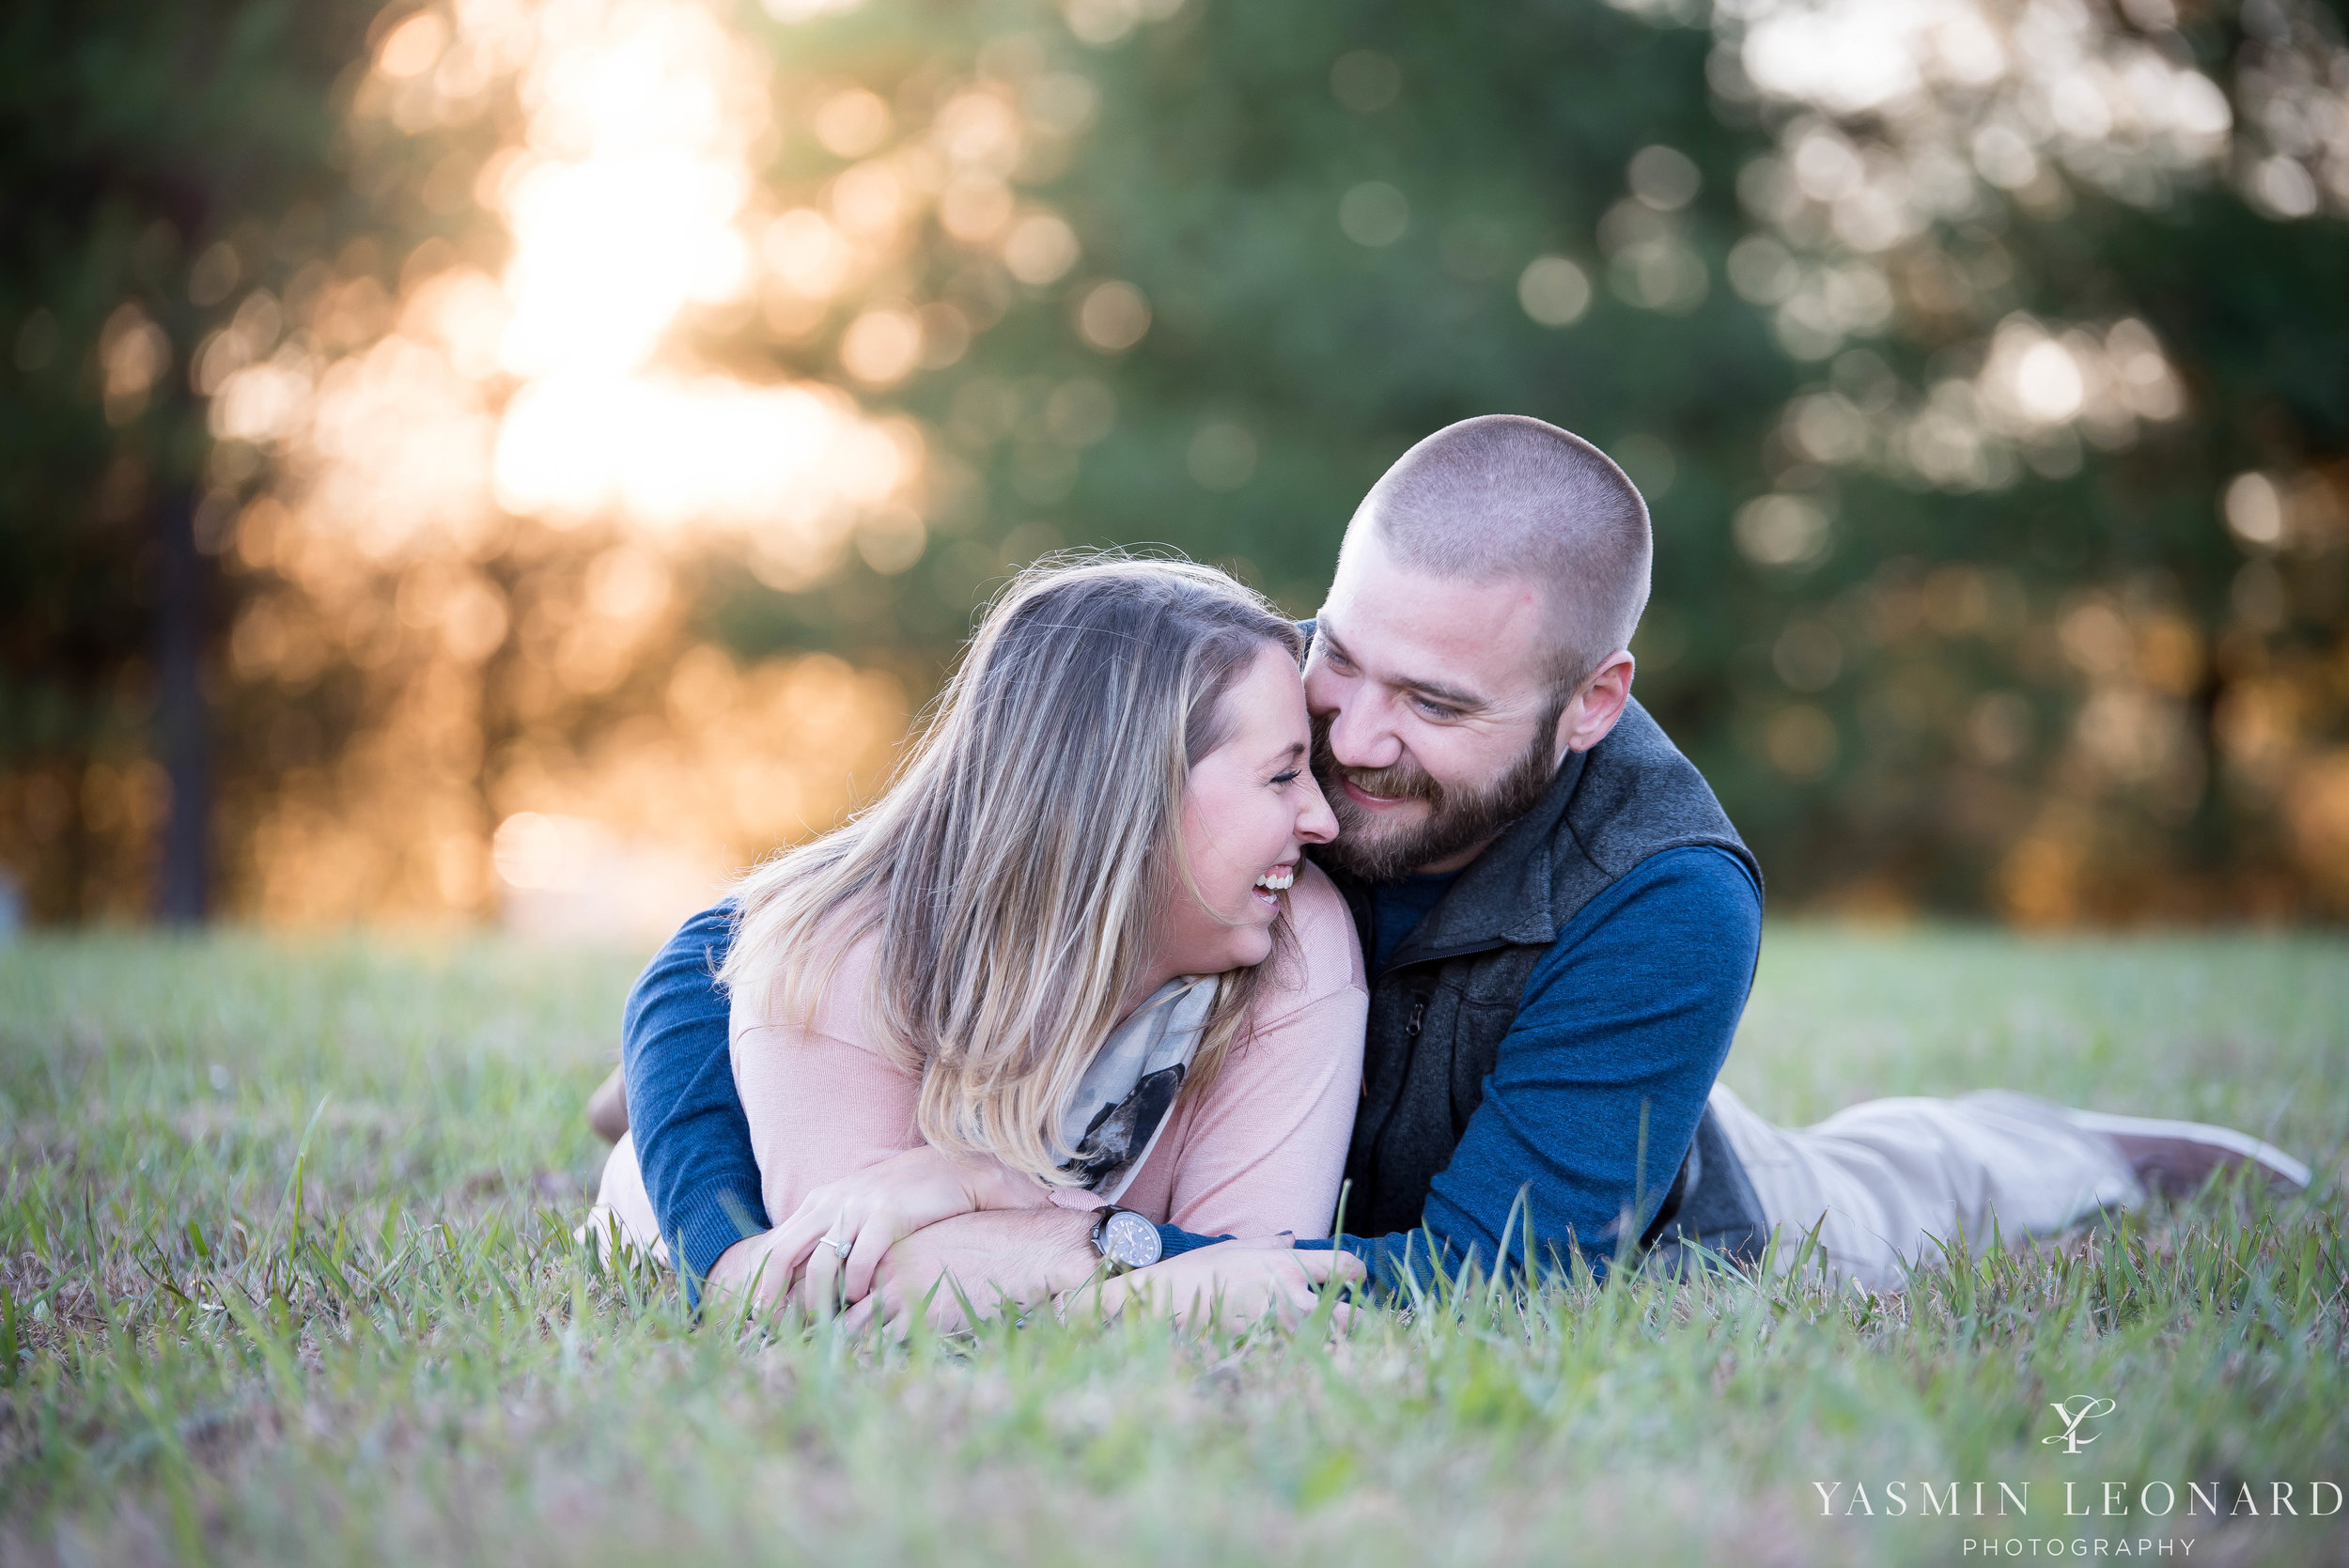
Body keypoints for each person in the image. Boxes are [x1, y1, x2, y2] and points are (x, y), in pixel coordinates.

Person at [598, 414, 2310, 1324]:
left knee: (1871, 1191)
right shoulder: (1253, 695)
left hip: (1623, 1199)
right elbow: (742, 937)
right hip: (1225, 1168)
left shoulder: (1664, 886)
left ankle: (2070, 1146)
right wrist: (736, 1235)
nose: (1354, 736)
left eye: (1436, 701)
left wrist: (1081, 1253)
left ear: (1591, 702)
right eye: (1345, 651)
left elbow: (1502, 1279)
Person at [591, 557, 1371, 1324]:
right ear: (1130, 797)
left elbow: (1259, 1281)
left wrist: (997, 1206)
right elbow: (853, 1311)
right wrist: (1119, 1273)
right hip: (722, 1192)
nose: (1323, 822)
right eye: (1281, 776)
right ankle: (635, 1106)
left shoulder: (1294, 932)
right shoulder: (843, 956)